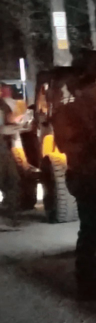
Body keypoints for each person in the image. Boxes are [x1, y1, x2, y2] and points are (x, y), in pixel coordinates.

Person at [52, 74, 96, 295]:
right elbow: (66, 145)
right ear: (79, 91)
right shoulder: (67, 113)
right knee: (91, 229)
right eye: (91, 87)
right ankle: (86, 281)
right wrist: (91, 142)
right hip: (86, 176)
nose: (95, 91)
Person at [0, 84, 24, 227]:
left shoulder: (3, 104)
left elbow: (9, 119)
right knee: (10, 179)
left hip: (4, 147)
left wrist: (19, 120)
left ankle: (9, 216)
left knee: (12, 179)